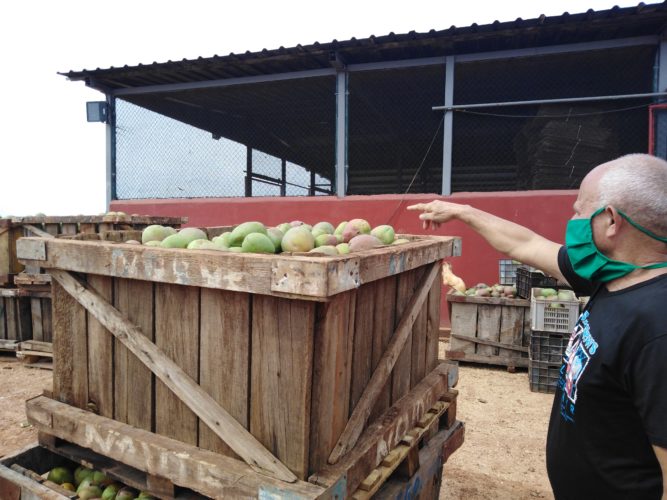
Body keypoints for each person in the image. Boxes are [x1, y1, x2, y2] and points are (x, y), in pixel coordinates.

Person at [408, 153, 667, 499]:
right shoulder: (610, 276)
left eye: (579, 211)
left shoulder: (657, 328)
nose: (572, 219)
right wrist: (462, 212)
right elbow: (524, 244)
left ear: (610, 222)